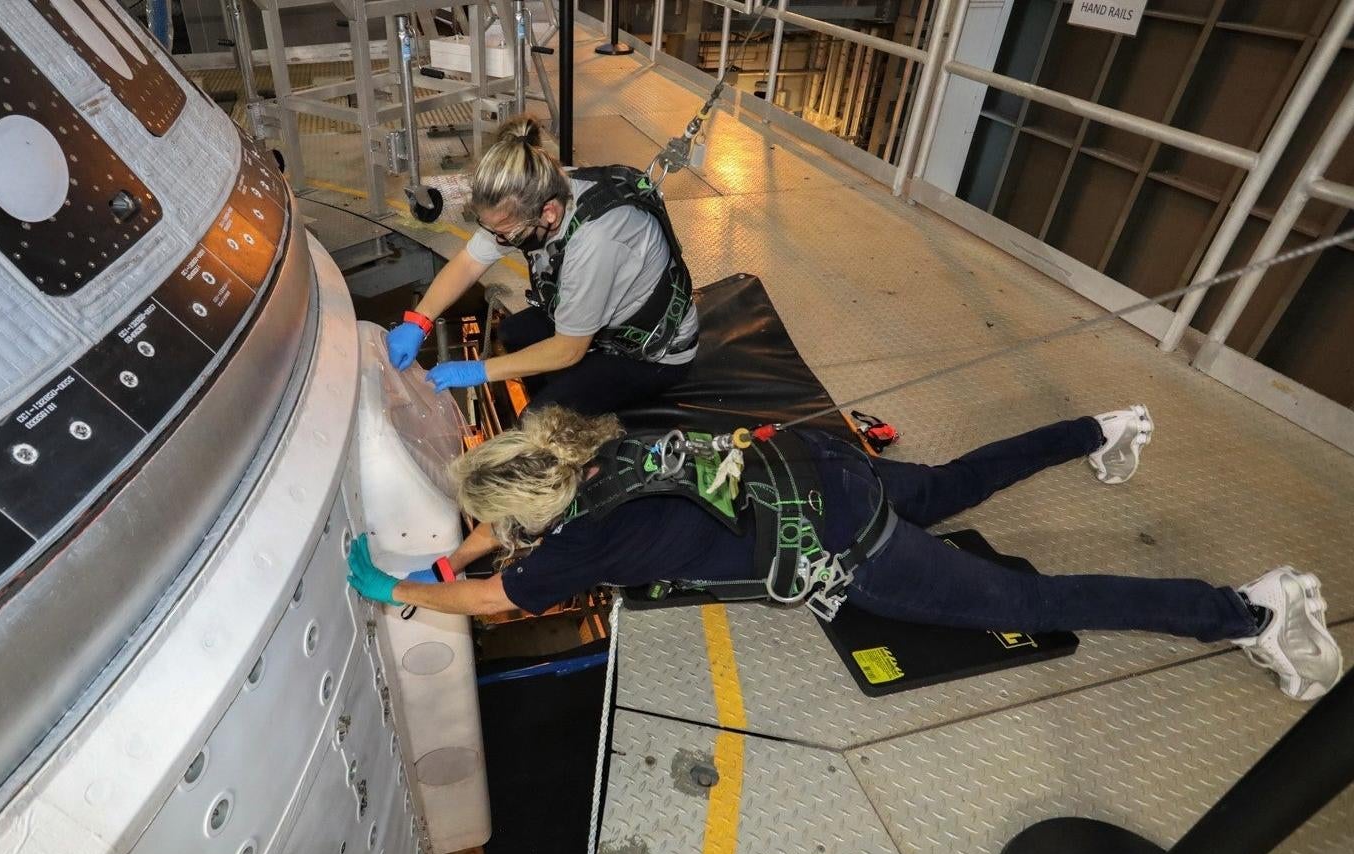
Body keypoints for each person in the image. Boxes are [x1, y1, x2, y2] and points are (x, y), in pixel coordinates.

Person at [347, 404, 1344, 702]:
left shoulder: (577, 547)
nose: (495, 544)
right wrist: (450, 559)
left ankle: (1246, 610)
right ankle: (1101, 426)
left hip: (851, 546)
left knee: (1031, 602)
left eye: (499, 529)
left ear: (534, 515)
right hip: (827, 471)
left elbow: (495, 600)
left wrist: (393, 583)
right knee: (952, 482)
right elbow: (500, 527)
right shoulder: (589, 445)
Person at [384, 117, 698, 416]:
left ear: (548, 213)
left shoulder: (597, 240)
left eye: (507, 234)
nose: (500, 240)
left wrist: (479, 371)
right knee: (513, 332)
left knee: (539, 418)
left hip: (649, 352)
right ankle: (564, 392)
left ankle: (577, 420)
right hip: (606, 322)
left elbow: (567, 350)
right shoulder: (536, 188)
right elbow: (468, 263)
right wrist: (418, 320)